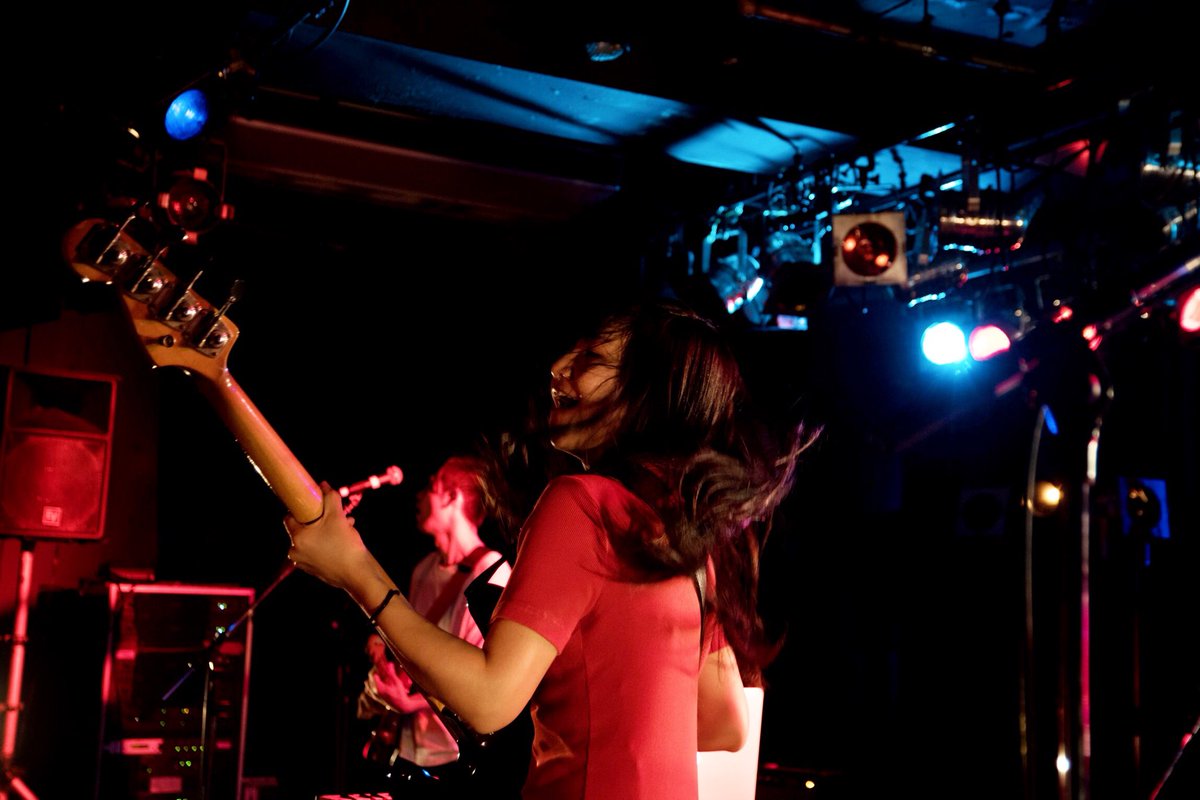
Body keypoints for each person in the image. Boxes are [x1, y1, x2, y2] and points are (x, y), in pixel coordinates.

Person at [286, 296, 817, 799]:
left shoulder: (581, 503)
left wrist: (355, 570)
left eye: (590, 358)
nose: (558, 367)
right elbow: (724, 722)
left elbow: (489, 700)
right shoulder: (689, 543)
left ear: (645, 393)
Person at [353, 455, 510, 794]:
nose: (420, 495)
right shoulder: (423, 570)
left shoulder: (493, 572)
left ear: (452, 497)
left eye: (430, 486)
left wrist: (409, 702)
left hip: (459, 756)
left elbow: (482, 678)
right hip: (411, 750)